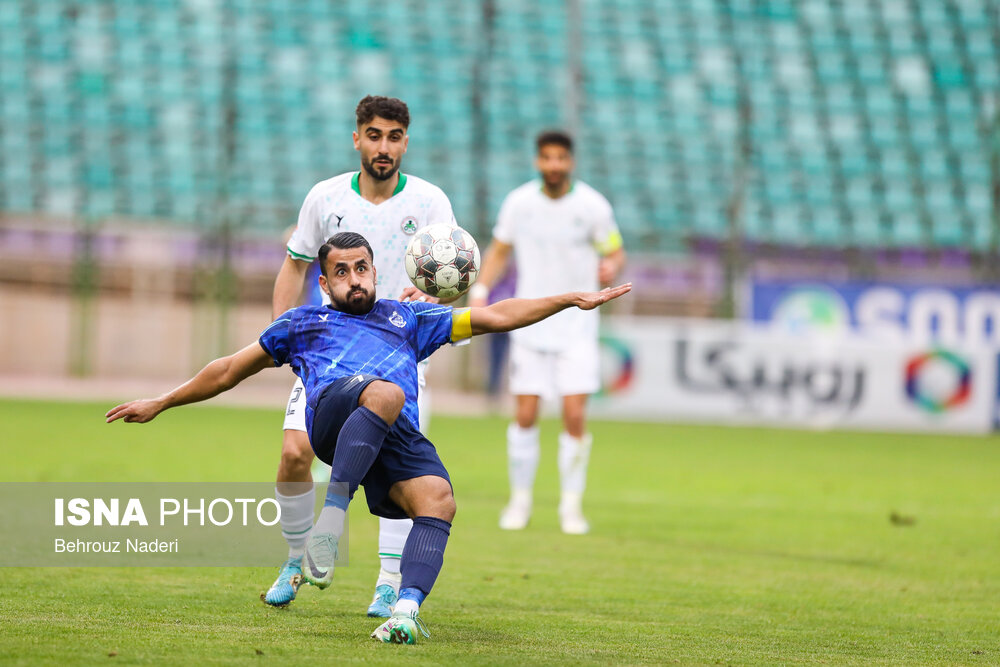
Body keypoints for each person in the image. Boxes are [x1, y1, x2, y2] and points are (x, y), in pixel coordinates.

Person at [107, 231, 631, 644]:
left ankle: (404, 613)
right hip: (336, 419)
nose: (355, 279)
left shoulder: (409, 317)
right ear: (324, 283)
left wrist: (569, 299)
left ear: (375, 271)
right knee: (383, 392)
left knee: (438, 500)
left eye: (362, 269)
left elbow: (496, 315)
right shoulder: (302, 323)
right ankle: (329, 524)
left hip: (391, 433)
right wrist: (163, 401)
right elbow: (226, 370)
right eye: (342, 272)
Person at [266, 95, 456, 614]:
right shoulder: (325, 198)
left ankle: (389, 583)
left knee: (396, 472)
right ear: (357, 138)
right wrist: (287, 336)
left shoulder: (431, 202)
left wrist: (437, 296)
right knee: (292, 455)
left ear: (406, 142)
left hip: (398, 356)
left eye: (394, 137)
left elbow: (450, 274)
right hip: (328, 354)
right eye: (374, 135)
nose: (384, 147)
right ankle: (293, 558)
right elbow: (295, 263)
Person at [469, 130, 627, 535]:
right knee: (525, 413)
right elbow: (500, 249)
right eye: (547, 158)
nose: (553, 165)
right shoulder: (520, 203)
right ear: (538, 161)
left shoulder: (592, 206)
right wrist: (482, 289)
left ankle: (571, 506)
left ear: (570, 161)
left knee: (574, 414)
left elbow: (614, 249)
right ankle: (520, 500)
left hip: (577, 325)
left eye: (560, 158)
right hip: (530, 321)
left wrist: (612, 266)